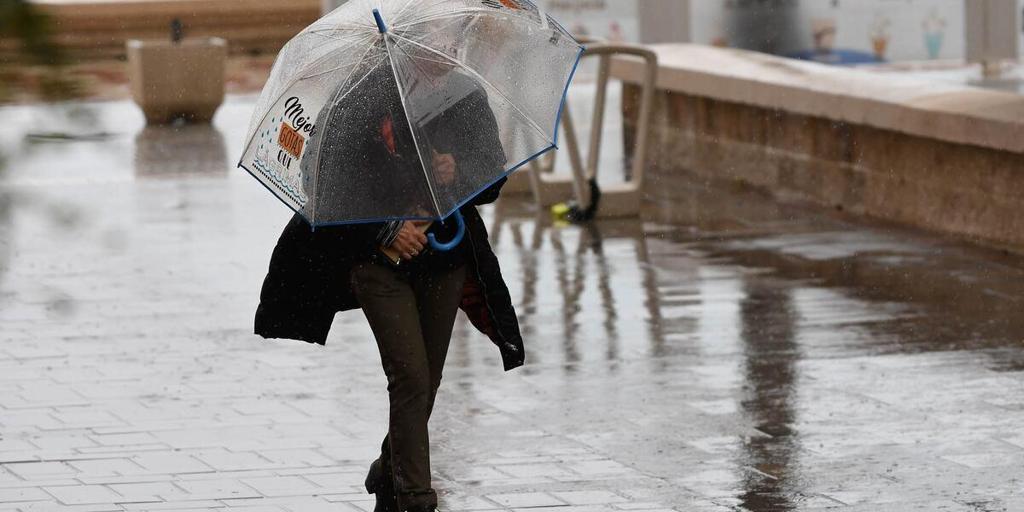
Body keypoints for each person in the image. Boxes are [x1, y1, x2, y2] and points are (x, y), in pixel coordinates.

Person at [253, 44, 525, 512]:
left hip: (444, 256)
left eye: (451, 38)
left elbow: (492, 176)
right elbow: (323, 180)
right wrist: (386, 230)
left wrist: (457, 169)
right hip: (374, 261)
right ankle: (416, 498)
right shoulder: (359, 95)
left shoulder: (465, 95)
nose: (447, 47)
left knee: (428, 379)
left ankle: (389, 467)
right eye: (437, 38)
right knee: (410, 375)